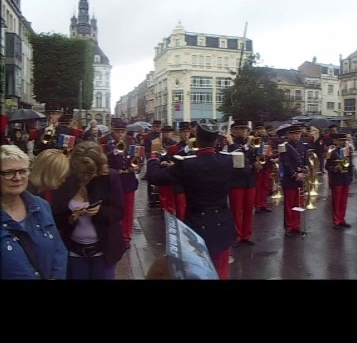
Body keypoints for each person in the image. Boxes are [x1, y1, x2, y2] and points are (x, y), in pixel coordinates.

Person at [147, 120, 236, 278]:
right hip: (223, 225)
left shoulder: (188, 164)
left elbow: (154, 177)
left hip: (197, 226)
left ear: (197, 138)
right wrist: (232, 144)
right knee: (221, 272)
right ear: (216, 140)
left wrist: (154, 156)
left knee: (198, 272)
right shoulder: (227, 160)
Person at [52, 142, 126, 280]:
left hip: (104, 251)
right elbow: (56, 216)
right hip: (74, 251)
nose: (85, 177)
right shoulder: (67, 179)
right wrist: (71, 218)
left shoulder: (109, 177)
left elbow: (119, 212)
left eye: (90, 173)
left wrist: (100, 211)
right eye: (81, 172)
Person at [1, 144, 68, 279]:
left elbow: (59, 250)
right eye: (9, 173)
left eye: (23, 171)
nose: (18, 177)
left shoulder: (41, 205)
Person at [106, 118, 142, 247]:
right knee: (114, 209)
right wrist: (116, 150)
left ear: (126, 132)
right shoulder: (107, 143)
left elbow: (138, 160)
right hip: (114, 180)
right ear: (113, 131)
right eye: (117, 131)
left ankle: (126, 236)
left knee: (128, 210)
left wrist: (137, 167)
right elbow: (106, 160)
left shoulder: (132, 143)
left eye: (122, 131)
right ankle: (114, 234)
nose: (120, 134)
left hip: (128, 181)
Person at [225, 122, 258, 246]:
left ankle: (246, 235)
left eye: (246, 129)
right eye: (240, 129)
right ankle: (236, 236)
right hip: (236, 181)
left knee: (249, 209)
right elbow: (234, 154)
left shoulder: (252, 144)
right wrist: (234, 144)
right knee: (236, 210)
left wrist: (258, 164)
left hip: (250, 180)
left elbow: (255, 158)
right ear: (234, 131)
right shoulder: (229, 144)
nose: (244, 132)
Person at [278, 124, 309, 237]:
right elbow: (285, 163)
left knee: (298, 203)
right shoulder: (284, 146)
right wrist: (295, 174)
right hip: (290, 179)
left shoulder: (302, 146)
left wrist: (305, 171)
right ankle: (289, 227)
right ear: (289, 135)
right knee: (289, 204)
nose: (297, 136)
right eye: (295, 134)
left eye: (299, 134)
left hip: (300, 179)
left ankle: (296, 225)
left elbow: (305, 160)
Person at [325, 133, 354, 229]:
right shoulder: (331, 150)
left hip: (345, 178)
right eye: (341, 140)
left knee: (344, 201)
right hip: (337, 178)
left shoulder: (346, 150)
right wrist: (334, 168)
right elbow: (327, 166)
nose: (344, 142)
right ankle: (336, 220)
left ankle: (342, 219)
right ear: (336, 141)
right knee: (337, 201)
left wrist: (350, 176)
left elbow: (350, 164)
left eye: (344, 140)